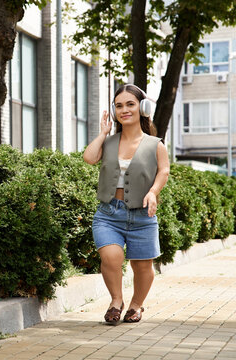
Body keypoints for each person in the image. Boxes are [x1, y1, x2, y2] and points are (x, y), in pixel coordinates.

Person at [83, 84, 170, 324]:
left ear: (142, 108)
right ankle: (116, 301)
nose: (124, 110)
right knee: (111, 257)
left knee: (142, 267)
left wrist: (153, 192)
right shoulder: (109, 143)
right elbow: (89, 158)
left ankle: (136, 305)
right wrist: (103, 133)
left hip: (142, 216)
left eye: (130, 104)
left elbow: (164, 171)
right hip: (109, 213)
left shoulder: (155, 144)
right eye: (119, 106)